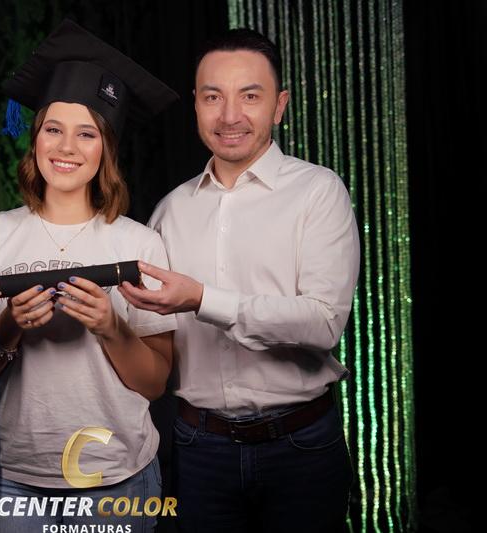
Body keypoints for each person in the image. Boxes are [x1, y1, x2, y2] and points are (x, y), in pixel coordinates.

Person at [119, 28, 360, 533]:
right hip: (198, 448)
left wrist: (202, 299)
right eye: (213, 97)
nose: (230, 116)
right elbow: (151, 339)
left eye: (250, 96)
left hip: (301, 446)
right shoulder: (170, 210)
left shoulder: (318, 192)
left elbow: (323, 323)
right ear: (196, 105)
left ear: (279, 105)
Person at [0, 20, 178, 533]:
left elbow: (155, 383)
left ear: (106, 148)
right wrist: (9, 326)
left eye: (87, 134)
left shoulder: (140, 244)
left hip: (118, 476)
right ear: (35, 138)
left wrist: (110, 326)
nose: (66, 147)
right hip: (17, 478)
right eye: (53, 129)